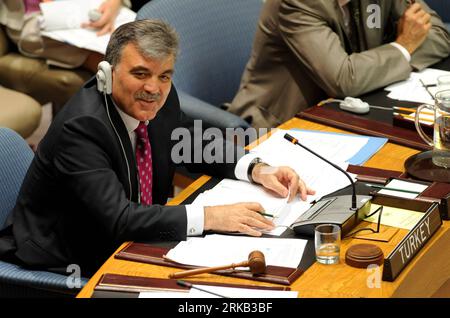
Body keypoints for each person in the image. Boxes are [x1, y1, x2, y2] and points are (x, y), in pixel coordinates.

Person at [0, 19, 314, 276]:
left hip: (133, 236)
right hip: (71, 254)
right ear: (106, 74)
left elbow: (188, 140)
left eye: (164, 76)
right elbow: (119, 219)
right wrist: (211, 217)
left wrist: (257, 168)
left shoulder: (160, 94)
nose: (154, 88)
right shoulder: (81, 129)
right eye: (140, 74)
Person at [228, 0, 450, 129]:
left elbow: (439, 35)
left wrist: (395, 55)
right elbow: (345, 79)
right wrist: (403, 46)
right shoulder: (297, 3)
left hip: (355, 109)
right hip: (280, 125)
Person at [0, 0, 134, 71]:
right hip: (32, 18)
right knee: (109, 59)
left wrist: (114, 2)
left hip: (90, 6)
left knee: (137, 42)